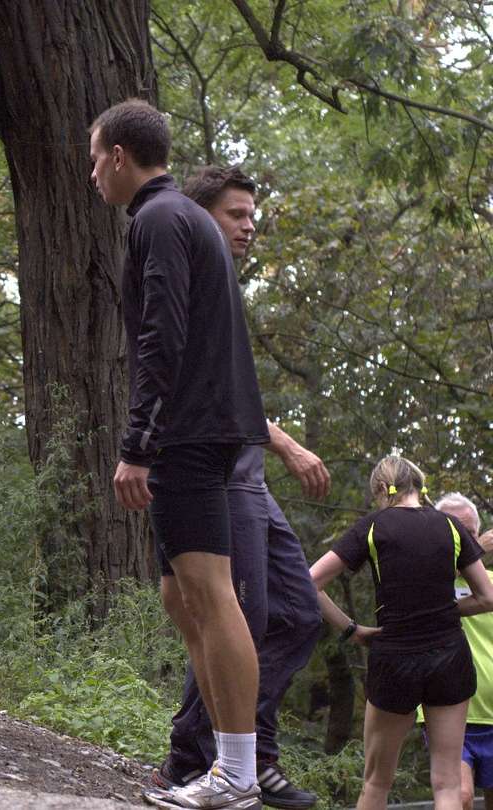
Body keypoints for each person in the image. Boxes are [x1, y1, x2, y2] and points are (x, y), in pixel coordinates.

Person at [91, 100, 270, 809]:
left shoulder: (159, 219)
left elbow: (161, 335)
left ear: (118, 156)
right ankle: (224, 762)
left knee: (210, 593)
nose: (92, 175)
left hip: (188, 431)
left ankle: (238, 774)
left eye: (95, 159)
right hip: (205, 425)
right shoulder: (185, 217)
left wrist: (139, 443)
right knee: (180, 596)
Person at [147, 166, 324, 809]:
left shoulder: (224, 284)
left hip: (247, 476)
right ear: (201, 217)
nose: (249, 227)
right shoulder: (188, 273)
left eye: (253, 216)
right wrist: (288, 444)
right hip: (215, 471)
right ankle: (210, 759)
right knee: (225, 612)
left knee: (299, 615)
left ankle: (238, 752)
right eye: (236, 214)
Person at [311, 458, 493, 810]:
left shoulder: (372, 526)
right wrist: (441, 609)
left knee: (376, 782)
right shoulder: (451, 526)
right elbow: (487, 597)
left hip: (394, 657)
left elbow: (310, 581)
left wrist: (352, 629)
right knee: (448, 785)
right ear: (419, 486)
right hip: (450, 659)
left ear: (382, 489)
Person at [435, 493, 493, 810]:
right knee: (460, 795)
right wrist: (477, 551)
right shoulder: (427, 583)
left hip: (492, 713)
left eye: (469, 533)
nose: (463, 540)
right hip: (449, 711)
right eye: (453, 531)